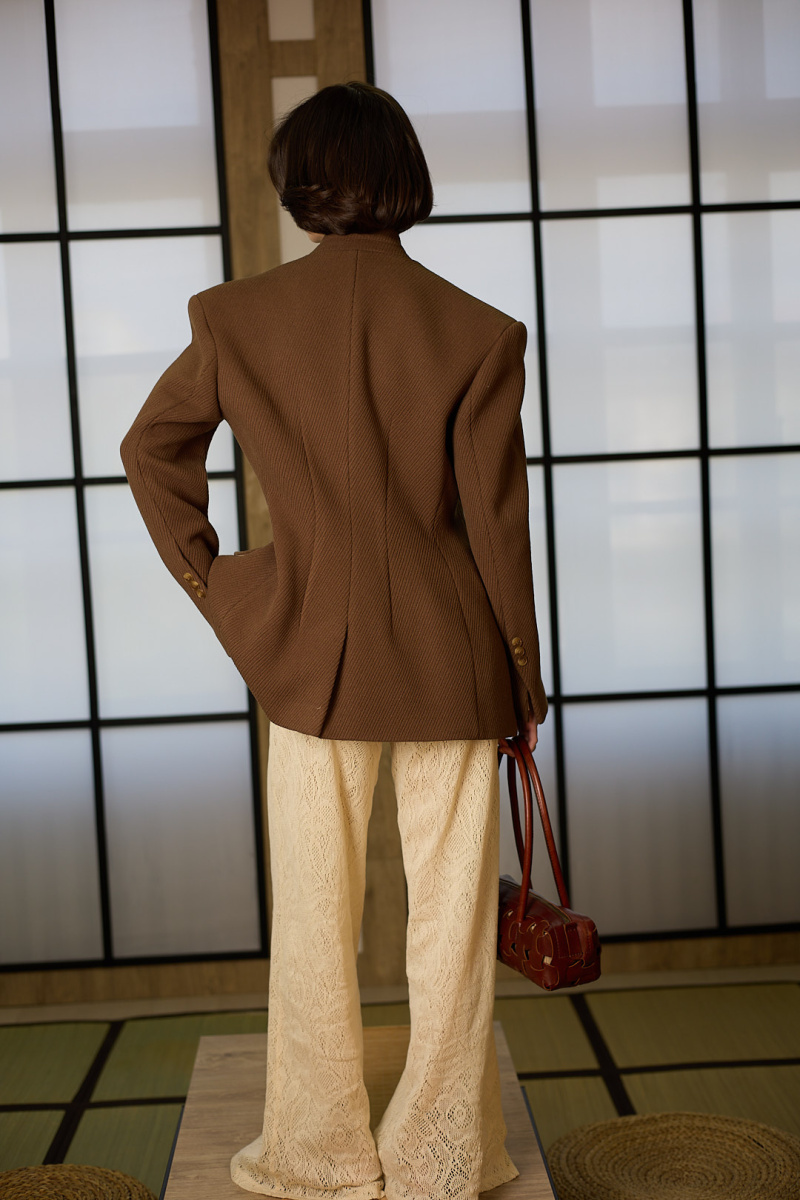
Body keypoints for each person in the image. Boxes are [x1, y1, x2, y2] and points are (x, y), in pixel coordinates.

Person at [120, 81, 547, 1200]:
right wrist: (524, 675)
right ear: (405, 180)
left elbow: (150, 450)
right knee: (452, 921)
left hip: (307, 658)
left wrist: (218, 582)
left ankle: (315, 1151)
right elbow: (497, 526)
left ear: (300, 186)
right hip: (454, 659)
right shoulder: (479, 330)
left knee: (312, 914)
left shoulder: (234, 318)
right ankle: (442, 1157)